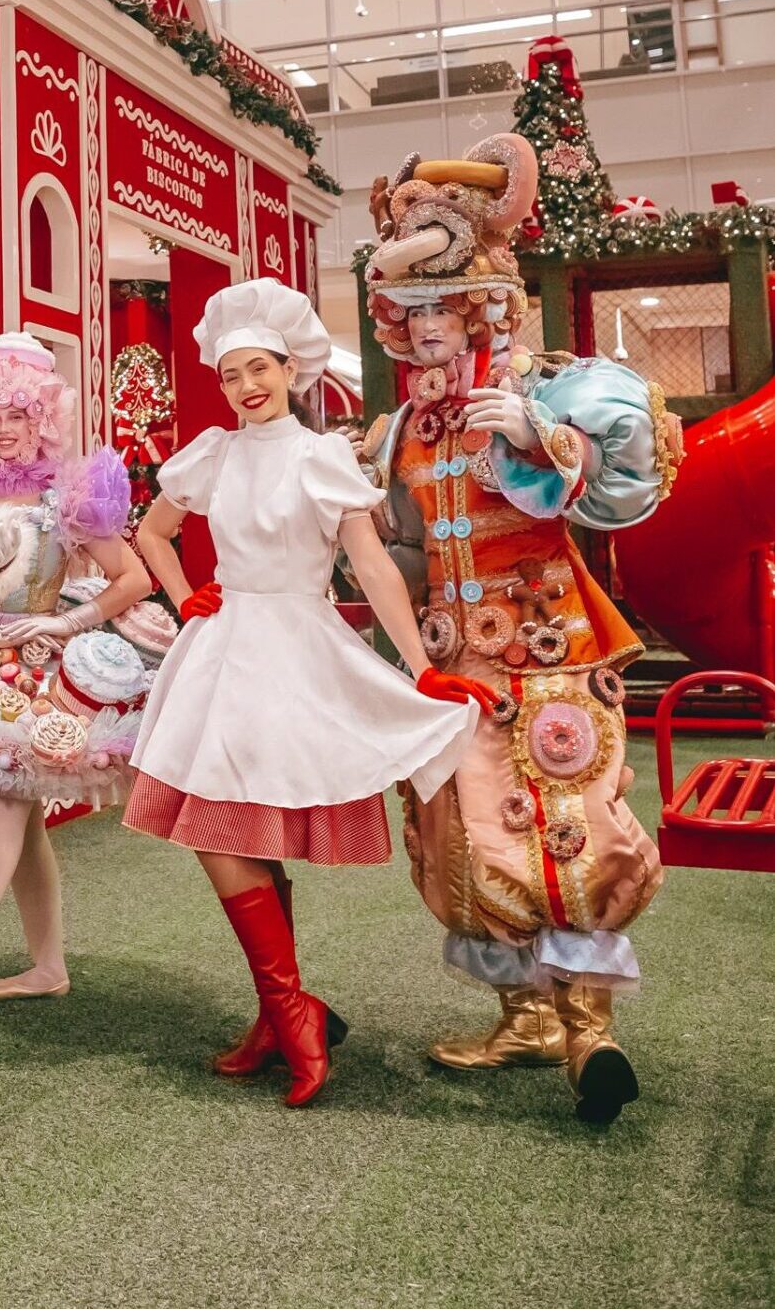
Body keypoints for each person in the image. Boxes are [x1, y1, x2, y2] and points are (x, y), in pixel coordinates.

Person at [359, 134, 678, 1122]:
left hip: (553, 650)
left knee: (566, 826)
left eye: (437, 314)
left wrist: (542, 433)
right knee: (461, 834)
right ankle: (522, 1013)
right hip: (457, 660)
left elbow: (619, 485)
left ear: (480, 308)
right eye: (406, 319)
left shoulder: (542, 389)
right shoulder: (396, 432)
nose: (421, 336)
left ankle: (588, 1028)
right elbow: (404, 553)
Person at [127, 278, 489, 1108]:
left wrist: (417, 666)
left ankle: (289, 1013)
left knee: (241, 824)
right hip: (222, 655)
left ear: (291, 371)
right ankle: (286, 1011)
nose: (247, 386)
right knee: (222, 826)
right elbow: (151, 532)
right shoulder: (212, 455)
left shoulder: (322, 456)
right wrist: (186, 597)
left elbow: (368, 566)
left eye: (260, 368)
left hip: (297, 649)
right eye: (231, 374)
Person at [0, 333, 151, 1055]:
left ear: (44, 420)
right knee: (15, 804)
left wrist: (63, 619)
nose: (6, 429)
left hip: (37, 667)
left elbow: (134, 577)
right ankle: (46, 964)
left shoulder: (67, 498)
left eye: (19, 415)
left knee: (10, 800)